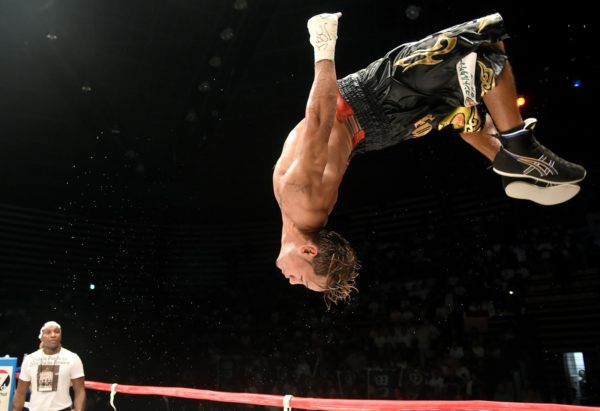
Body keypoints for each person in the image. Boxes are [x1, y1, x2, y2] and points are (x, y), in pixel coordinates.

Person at [272, 12, 586, 307]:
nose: (293, 282)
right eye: (304, 281)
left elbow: (320, 123)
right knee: (485, 45)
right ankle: (520, 149)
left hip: (382, 125)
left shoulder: (301, 209)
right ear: (310, 250)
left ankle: (501, 159)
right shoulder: (303, 204)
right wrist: (323, 42)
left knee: (466, 105)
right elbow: (320, 120)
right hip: (377, 99)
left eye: (304, 282)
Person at [12, 321, 86, 411]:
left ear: (61, 335)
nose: (53, 335)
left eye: (57, 332)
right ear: (42, 337)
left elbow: (80, 392)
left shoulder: (72, 358)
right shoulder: (30, 359)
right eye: (48, 332)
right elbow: (20, 392)